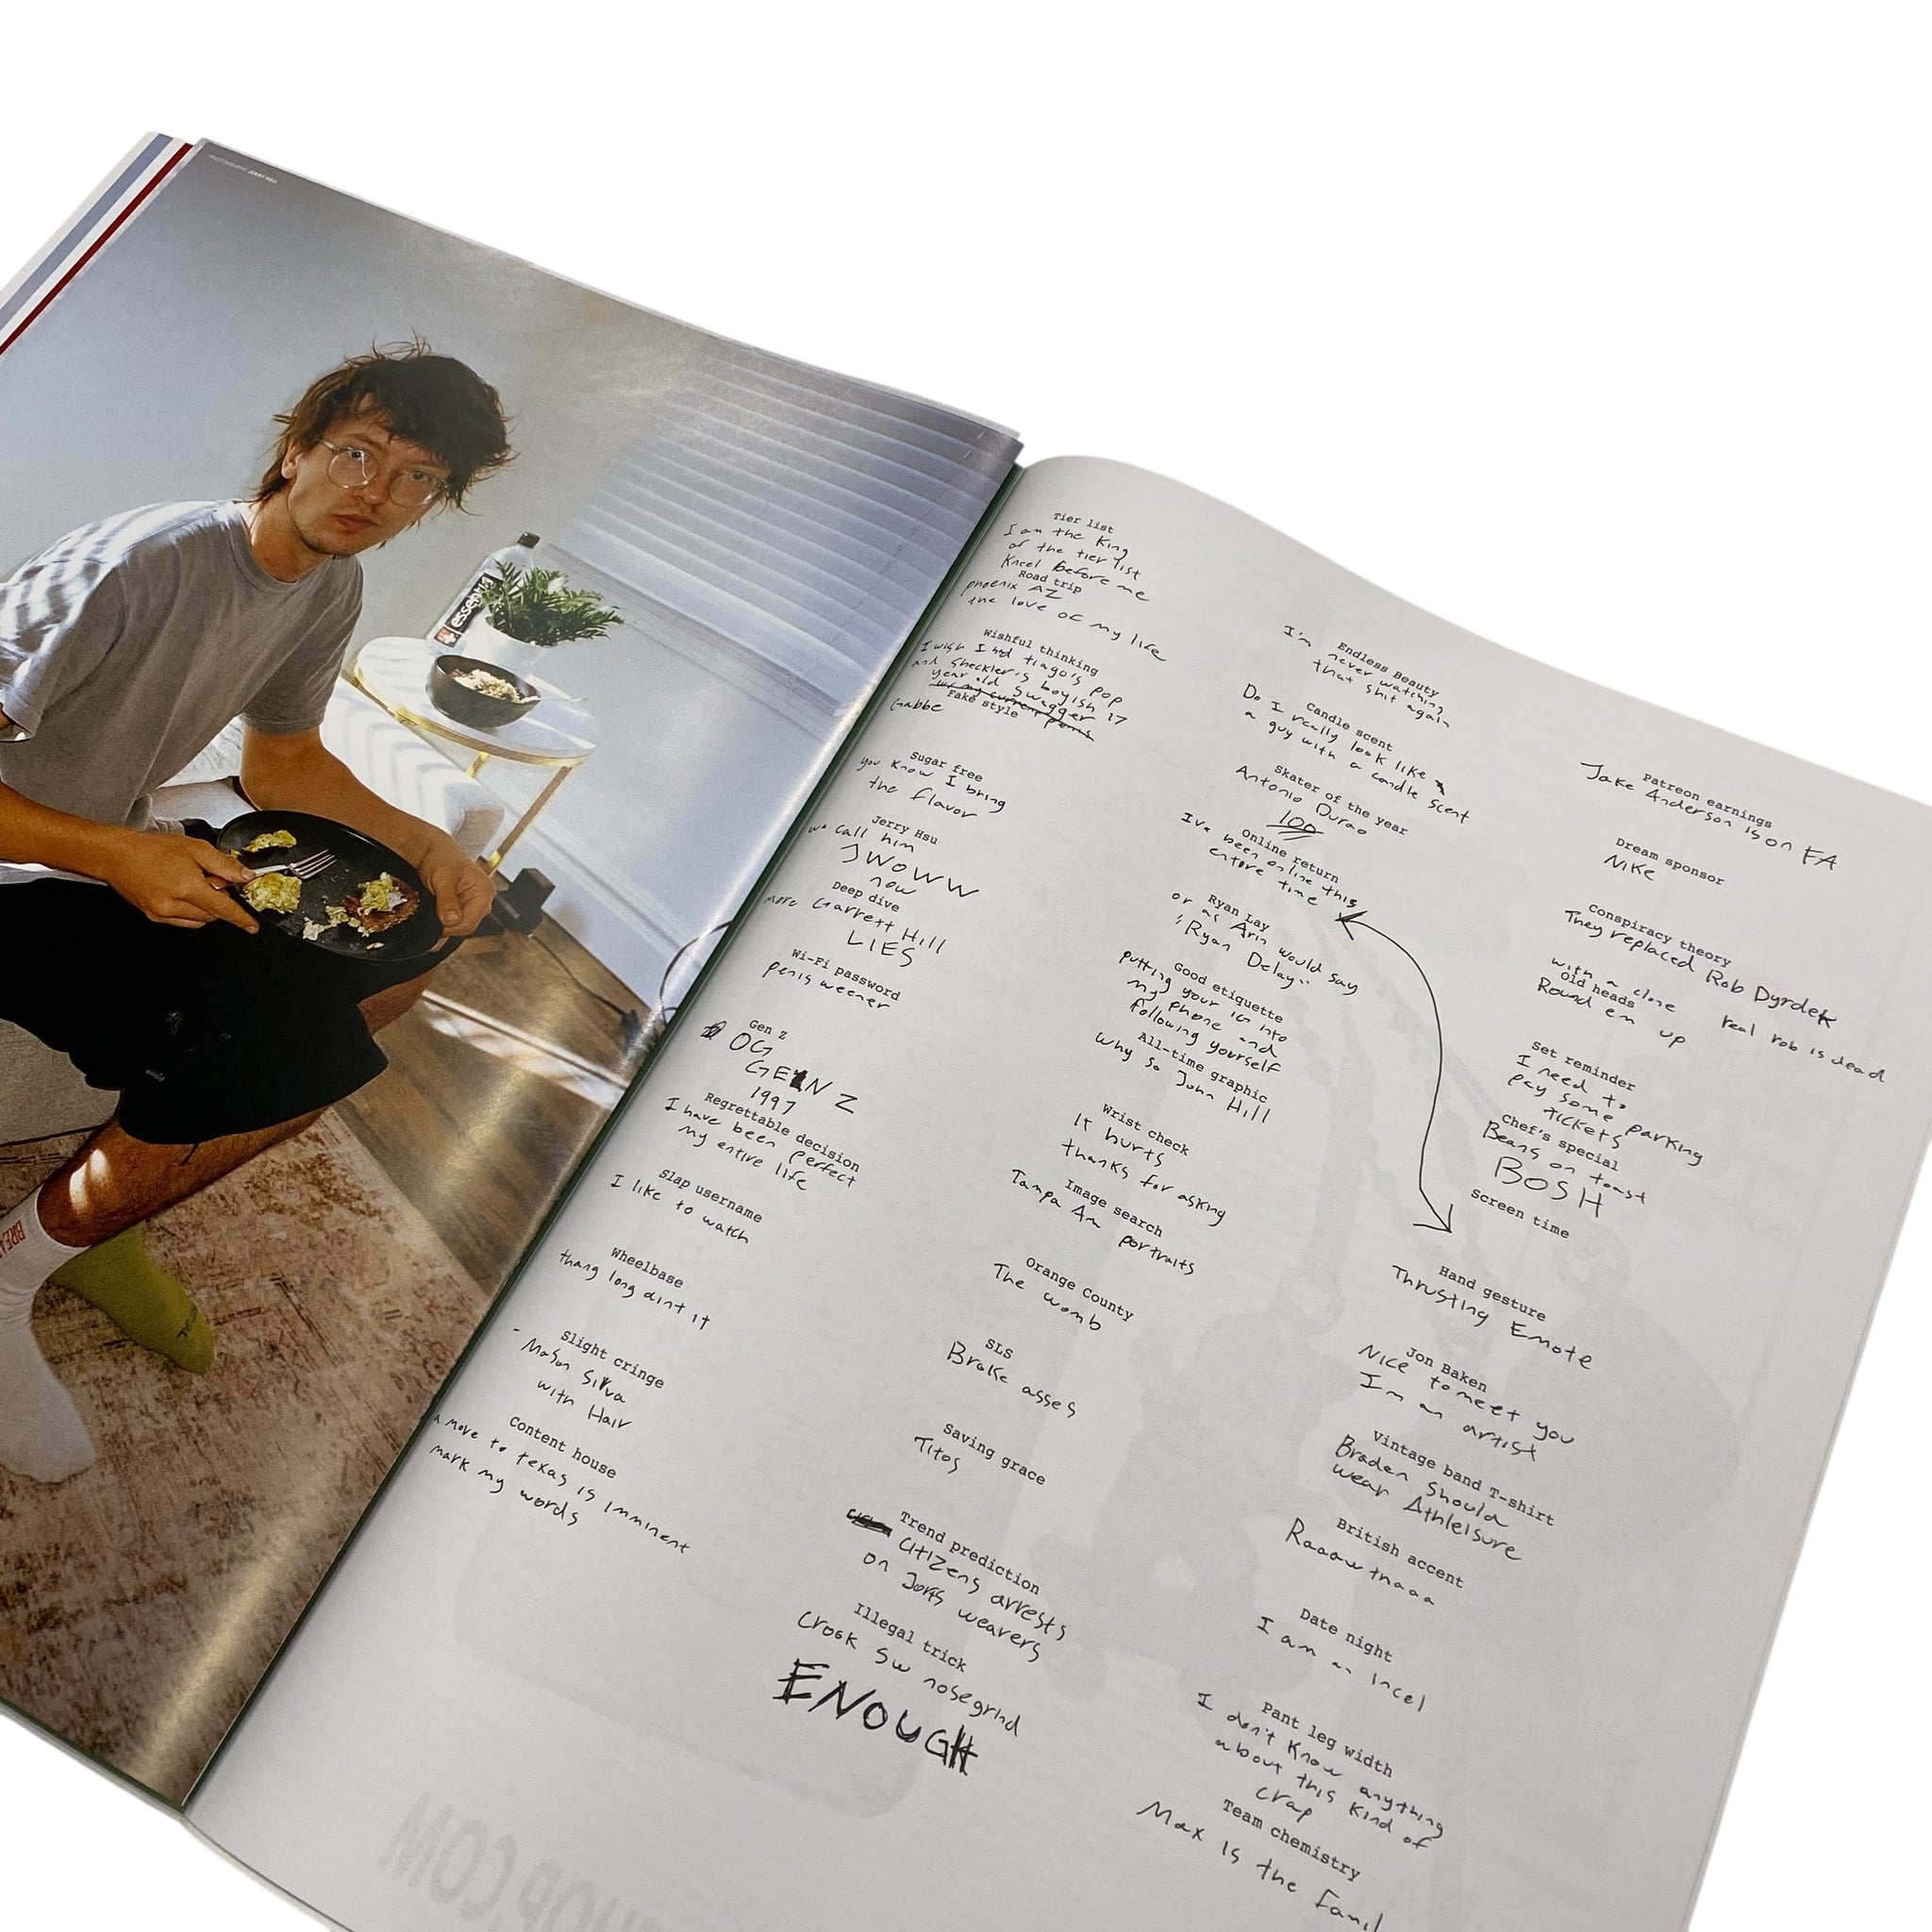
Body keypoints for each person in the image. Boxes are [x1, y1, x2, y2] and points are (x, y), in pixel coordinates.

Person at [0, 343, 513, 1482]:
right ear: (297, 451)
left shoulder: (328, 585)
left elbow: (283, 762)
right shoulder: (139, 564)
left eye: (415, 477)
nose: (374, 491)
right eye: (357, 453)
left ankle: (93, 1215)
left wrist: (428, 844)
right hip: (21, 872)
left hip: (95, 855)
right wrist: (116, 853)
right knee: (276, 1049)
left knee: (396, 960)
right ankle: (15, 1274)